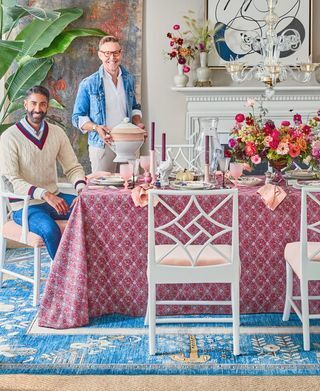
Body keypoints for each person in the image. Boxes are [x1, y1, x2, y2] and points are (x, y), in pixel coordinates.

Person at [0, 86, 86, 260]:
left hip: (54, 198)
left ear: (47, 107)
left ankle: (88, 270)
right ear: (25, 105)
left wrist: (81, 190)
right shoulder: (9, 137)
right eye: (33, 103)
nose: (37, 109)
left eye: (42, 104)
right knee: (49, 229)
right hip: (24, 206)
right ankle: (63, 279)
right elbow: (12, 180)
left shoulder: (57, 133)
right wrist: (45, 194)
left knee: (90, 209)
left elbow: (73, 167)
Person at [72, 35, 145, 173]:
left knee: (130, 190)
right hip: (102, 145)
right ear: (100, 55)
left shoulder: (128, 79)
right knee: (102, 190)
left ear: (121, 53)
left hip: (129, 144)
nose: (112, 58)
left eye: (115, 53)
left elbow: (134, 107)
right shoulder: (89, 83)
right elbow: (77, 117)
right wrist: (96, 127)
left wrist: (138, 123)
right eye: (107, 53)